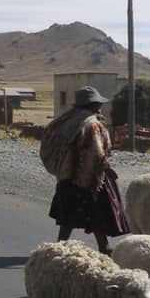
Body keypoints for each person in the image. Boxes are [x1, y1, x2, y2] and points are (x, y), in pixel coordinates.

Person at [44, 86, 130, 254]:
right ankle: (104, 248)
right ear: (93, 104)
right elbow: (95, 152)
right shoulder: (93, 124)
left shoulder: (66, 120)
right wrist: (107, 169)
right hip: (86, 178)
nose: (100, 107)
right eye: (98, 103)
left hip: (66, 177)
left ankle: (59, 248)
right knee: (97, 214)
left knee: (67, 217)